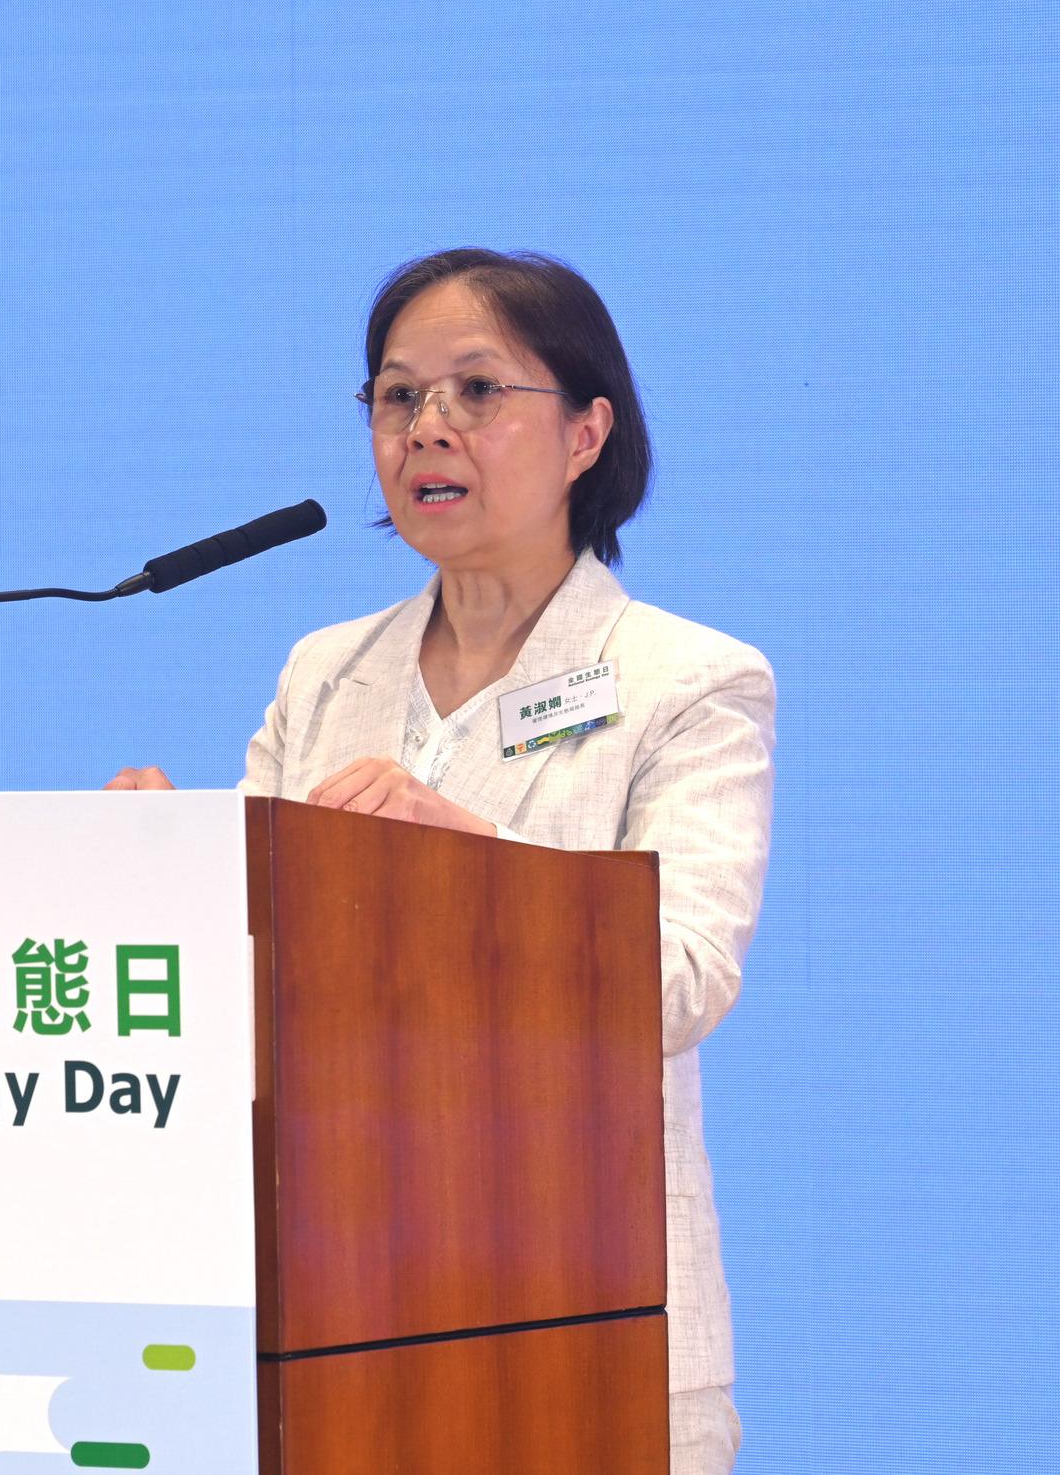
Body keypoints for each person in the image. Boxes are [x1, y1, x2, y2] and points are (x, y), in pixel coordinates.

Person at [106, 247, 774, 1475]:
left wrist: (469, 858)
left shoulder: (687, 683)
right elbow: (249, 973)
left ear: (586, 431)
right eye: (397, 394)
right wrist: (160, 867)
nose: (427, 427)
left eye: (476, 390)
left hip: (583, 1314)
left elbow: (680, 981)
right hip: (333, 1327)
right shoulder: (327, 674)